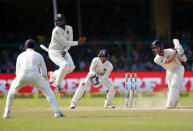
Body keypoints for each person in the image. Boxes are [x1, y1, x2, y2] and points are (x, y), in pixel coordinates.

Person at [2, 39, 64, 119]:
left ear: (25, 47)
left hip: (22, 75)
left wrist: (20, 80)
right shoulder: (38, 55)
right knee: (49, 93)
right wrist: (45, 81)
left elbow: (17, 73)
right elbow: (44, 73)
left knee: (11, 93)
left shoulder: (20, 55)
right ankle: (57, 113)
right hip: (35, 75)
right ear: (35, 47)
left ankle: (6, 114)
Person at [48, 14, 86, 90]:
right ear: (56, 22)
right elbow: (64, 42)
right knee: (65, 65)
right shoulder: (56, 31)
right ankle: (57, 84)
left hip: (63, 51)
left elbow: (69, 41)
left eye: (62, 20)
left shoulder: (69, 28)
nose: (61, 22)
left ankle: (53, 74)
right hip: (54, 52)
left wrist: (65, 51)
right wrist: (77, 43)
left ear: (64, 20)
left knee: (71, 67)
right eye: (59, 21)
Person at [152, 39, 187, 109]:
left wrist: (181, 55)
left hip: (178, 69)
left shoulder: (170, 51)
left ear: (161, 46)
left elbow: (183, 59)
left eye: (157, 47)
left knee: (174, 85)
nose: (156, 49)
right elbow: (168, 61)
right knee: (171, 88)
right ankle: (175, 101)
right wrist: (176, 52)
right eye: (155, 48)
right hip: (169, 71)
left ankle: (170, 104)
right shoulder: (156, 59)